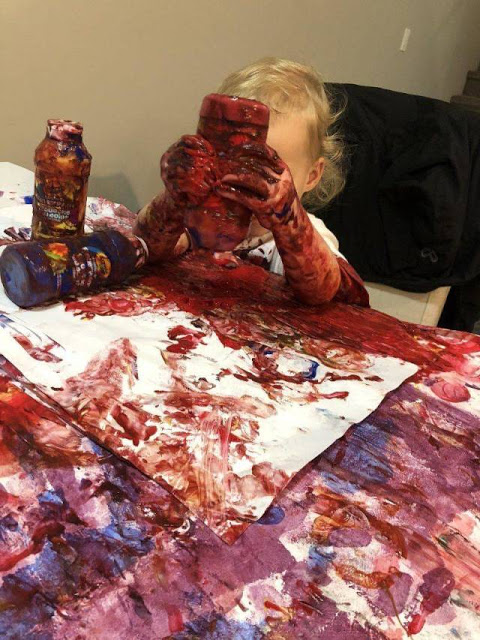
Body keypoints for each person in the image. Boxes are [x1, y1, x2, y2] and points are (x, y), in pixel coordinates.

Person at [134, 57, 369, 307]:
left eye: (267, 172)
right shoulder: (204, 221)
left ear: (312, 175)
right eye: (229, 163)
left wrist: (289, 221)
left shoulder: (304, 237)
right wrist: (175, 198)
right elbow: (146, 247)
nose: (247, 184)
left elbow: (328, 293)